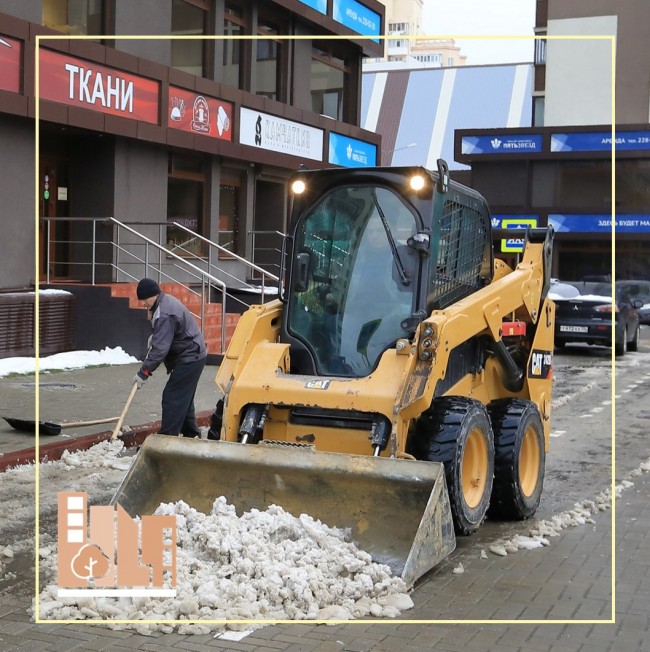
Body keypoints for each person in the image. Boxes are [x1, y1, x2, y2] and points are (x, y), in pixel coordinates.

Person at [133, 278, 207, 437]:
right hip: (194, 353)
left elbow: (160, 350)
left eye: (145, 299)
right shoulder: (163, 301)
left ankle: (166, 438)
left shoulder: (164, 313)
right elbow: (168, 332)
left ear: (153, 295)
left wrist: (143, 372)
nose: (143, 304)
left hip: (190, 356)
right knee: (184, 398)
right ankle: (192, 434)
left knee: (172, 396)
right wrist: (157, 335)